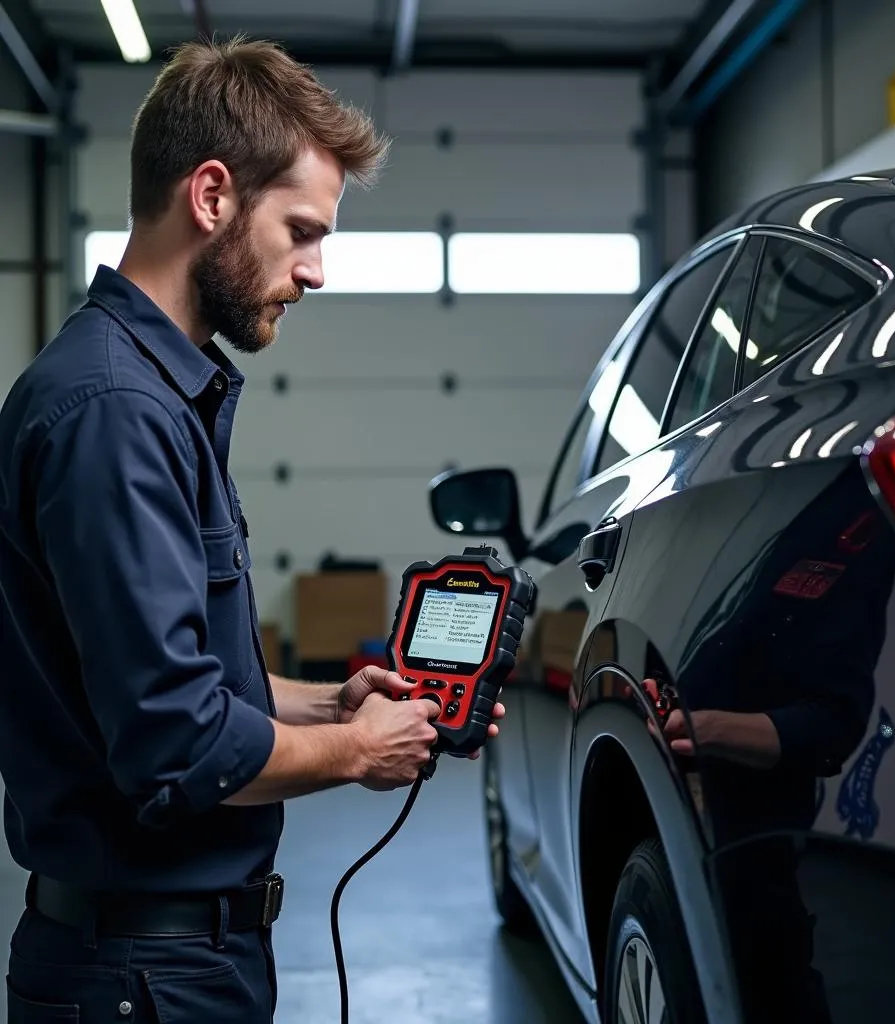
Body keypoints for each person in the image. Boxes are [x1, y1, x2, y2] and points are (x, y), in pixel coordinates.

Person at [0, 36, 504, 1023]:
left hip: (164, 962)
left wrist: (329, 702)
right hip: (142, 980)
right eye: (303, 231)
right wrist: (361, 750)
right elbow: (174, 742)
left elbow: (166, 673)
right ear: (214, 196)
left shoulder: (147, 393)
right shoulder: (114, 411)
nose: (316, 271)